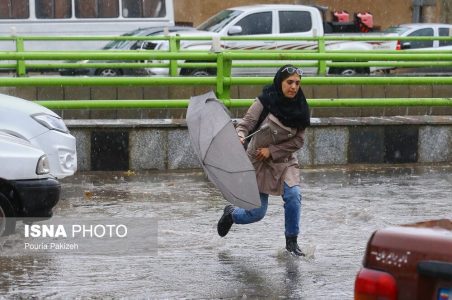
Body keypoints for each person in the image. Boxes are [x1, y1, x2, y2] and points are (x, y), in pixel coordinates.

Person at [217, 64, 310, 256]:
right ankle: (231, 214)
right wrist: (240, 135)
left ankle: (292, 243)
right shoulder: (265, 101)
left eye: (297, 83)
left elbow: (299, 140)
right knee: (257, 213)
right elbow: (245, 124)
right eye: (289, 82)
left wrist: (273, 150)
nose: (293, 87)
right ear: (279, 82)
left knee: (293, 196)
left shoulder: (301, 107)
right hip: (257, 162)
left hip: (284, 160)